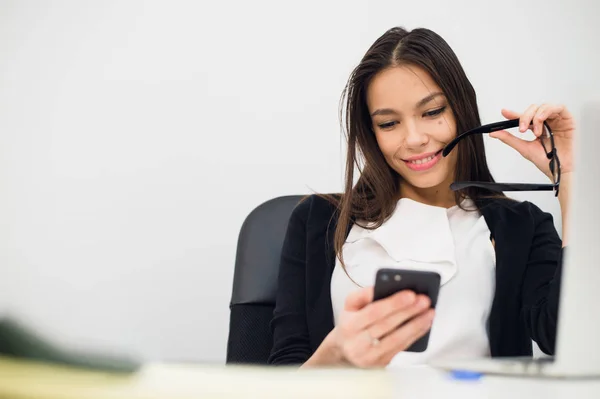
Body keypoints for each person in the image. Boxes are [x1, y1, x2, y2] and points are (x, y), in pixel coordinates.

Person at [267, 26, 574, 368]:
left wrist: (574, 180)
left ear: (462, 110)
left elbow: (564, 338)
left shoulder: (521, 227)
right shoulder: (319, 219)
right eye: (389, 124)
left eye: (432, 112)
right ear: (372, 134)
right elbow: (286, 373)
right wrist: (337, 354)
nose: (414, 139)